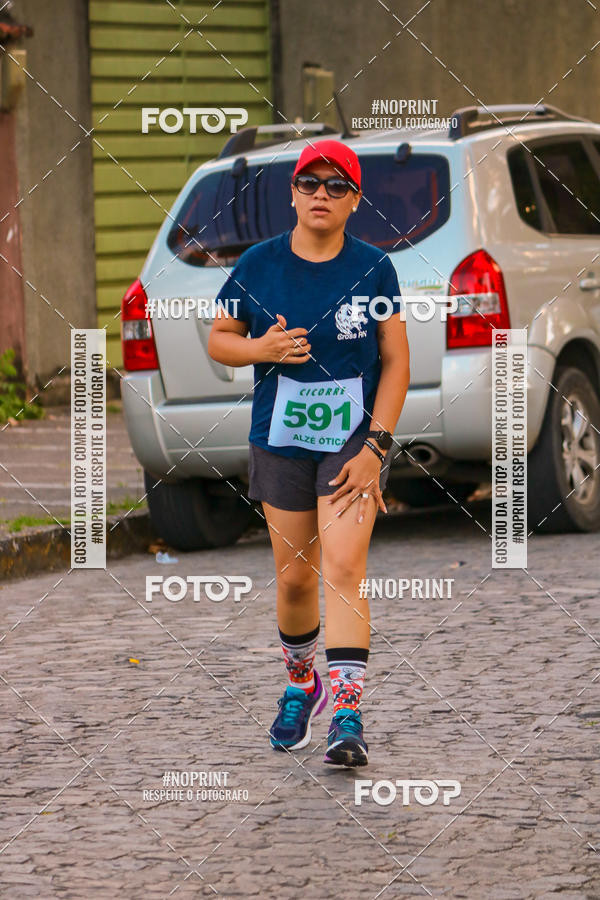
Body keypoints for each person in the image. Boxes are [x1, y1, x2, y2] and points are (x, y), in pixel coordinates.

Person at [208, 139, 410, 767]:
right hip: (281, 438)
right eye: (310, 183)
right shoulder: (259, 266)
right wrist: (260, 351)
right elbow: (219, 340)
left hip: (352, 440)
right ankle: (302, 683)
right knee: (296, 579)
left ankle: (347, 717)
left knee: (345, 567)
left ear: (355, 199)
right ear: (293, 192)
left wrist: (377, 447)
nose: (321, 194)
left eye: (337, 186)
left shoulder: (375, 269)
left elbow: (398, 362)